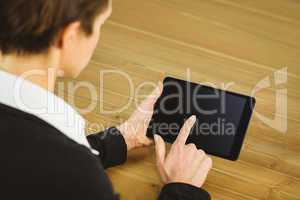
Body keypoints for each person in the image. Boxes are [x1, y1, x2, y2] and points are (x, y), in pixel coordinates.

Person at [0, 0, 212, 199]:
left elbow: (29, 160)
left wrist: (122, 138)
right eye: (101, 24)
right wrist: (183, 189)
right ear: (70, 36)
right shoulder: (81, 181)